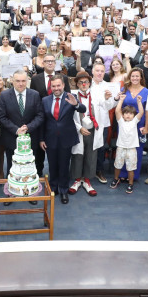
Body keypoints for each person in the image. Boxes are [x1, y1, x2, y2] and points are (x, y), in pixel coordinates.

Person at [40, 76, 85, 204]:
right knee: (52, 165)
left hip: (66, 138)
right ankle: (53, 188)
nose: (56, 88)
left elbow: (83, 109)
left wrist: (76, 104)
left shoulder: (71, 98)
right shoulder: (45, 100)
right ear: (50, 87)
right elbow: (43, 121)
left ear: (63, 85)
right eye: (53, 86)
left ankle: (64, 190)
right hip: (50, 138)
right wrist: (41, 139)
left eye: (58, 85)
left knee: (64, 165)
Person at [69, 71, 113, 196]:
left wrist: (109, 99)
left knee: (91, 154)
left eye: (86, 82)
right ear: (77, 84)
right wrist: (78, 128)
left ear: (89, 83)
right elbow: (68, 116)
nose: (84, 84)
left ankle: (87, 180)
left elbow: (107, 106)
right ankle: (77, 180)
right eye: (81, 82)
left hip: (93, 129)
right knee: (77, 154)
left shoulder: (97, 94)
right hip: (78, 129)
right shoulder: (72, 96)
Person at [0, 70, 45, 180]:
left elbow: (40, 116)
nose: (21, 83)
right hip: (11, 139)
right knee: (13, 168)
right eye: (17, 81)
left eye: (23, 81)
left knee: (30, 168)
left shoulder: (35, 94)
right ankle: (12, 192)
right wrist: (16, 129)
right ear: (12, 81)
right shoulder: (4, 95)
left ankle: (30, 193)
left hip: (31, 139)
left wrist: (28, 127)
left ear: (27, 80)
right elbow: (2, 117)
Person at [111, 94, 143, 194]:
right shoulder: (120, 121)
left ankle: (130, 184)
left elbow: (141, 112)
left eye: (130, 113)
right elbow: (117, 111)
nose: (128, 115)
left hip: (132, 149)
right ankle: (116, 179)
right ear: (123, 114)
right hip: (121, 147)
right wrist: (121, 100)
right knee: (117, 165)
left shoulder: (134, 121)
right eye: (126, 113)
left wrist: (139, 102)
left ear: (134, 115)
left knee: (131, 167)